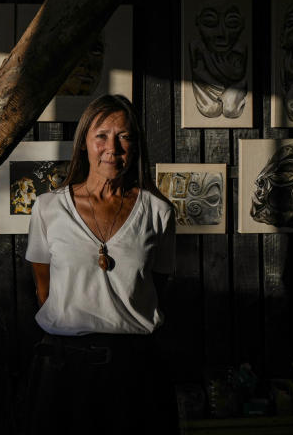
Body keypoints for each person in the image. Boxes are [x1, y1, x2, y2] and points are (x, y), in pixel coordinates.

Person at [24, 94, 178, 434]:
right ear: (83, 144)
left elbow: (157, 287)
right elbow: (43, 290)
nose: (113, 147)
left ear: (135, 147)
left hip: (134, 372)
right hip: (64, 370)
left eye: (124, 136)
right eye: (102, 135)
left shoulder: (158, 212)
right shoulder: (48, 208)